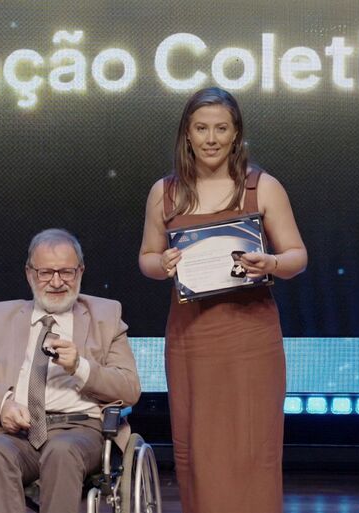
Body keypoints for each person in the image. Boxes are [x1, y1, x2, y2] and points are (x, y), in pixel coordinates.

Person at [138, 87, 307, 513]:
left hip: (251, 337)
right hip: (192, 337)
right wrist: (165, 263)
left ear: (236, 135)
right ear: (187, 135)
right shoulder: (165, 192)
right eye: (201, 128)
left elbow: (297, 257)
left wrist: (270, 262)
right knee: (200, 448)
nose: (211, 138)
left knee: (254, 446)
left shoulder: (262, 187)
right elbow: (146, 259)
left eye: (221, 128)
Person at [0, 228, 141, 513]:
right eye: (45, 272)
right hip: (18, 433)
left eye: (66, 272)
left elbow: (129, 389)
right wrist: (2, 404)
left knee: (61, 451)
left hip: (79, 431)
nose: (56, 282)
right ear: (29, 273)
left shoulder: (106, 315)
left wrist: (81, 367)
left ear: (80, 272)